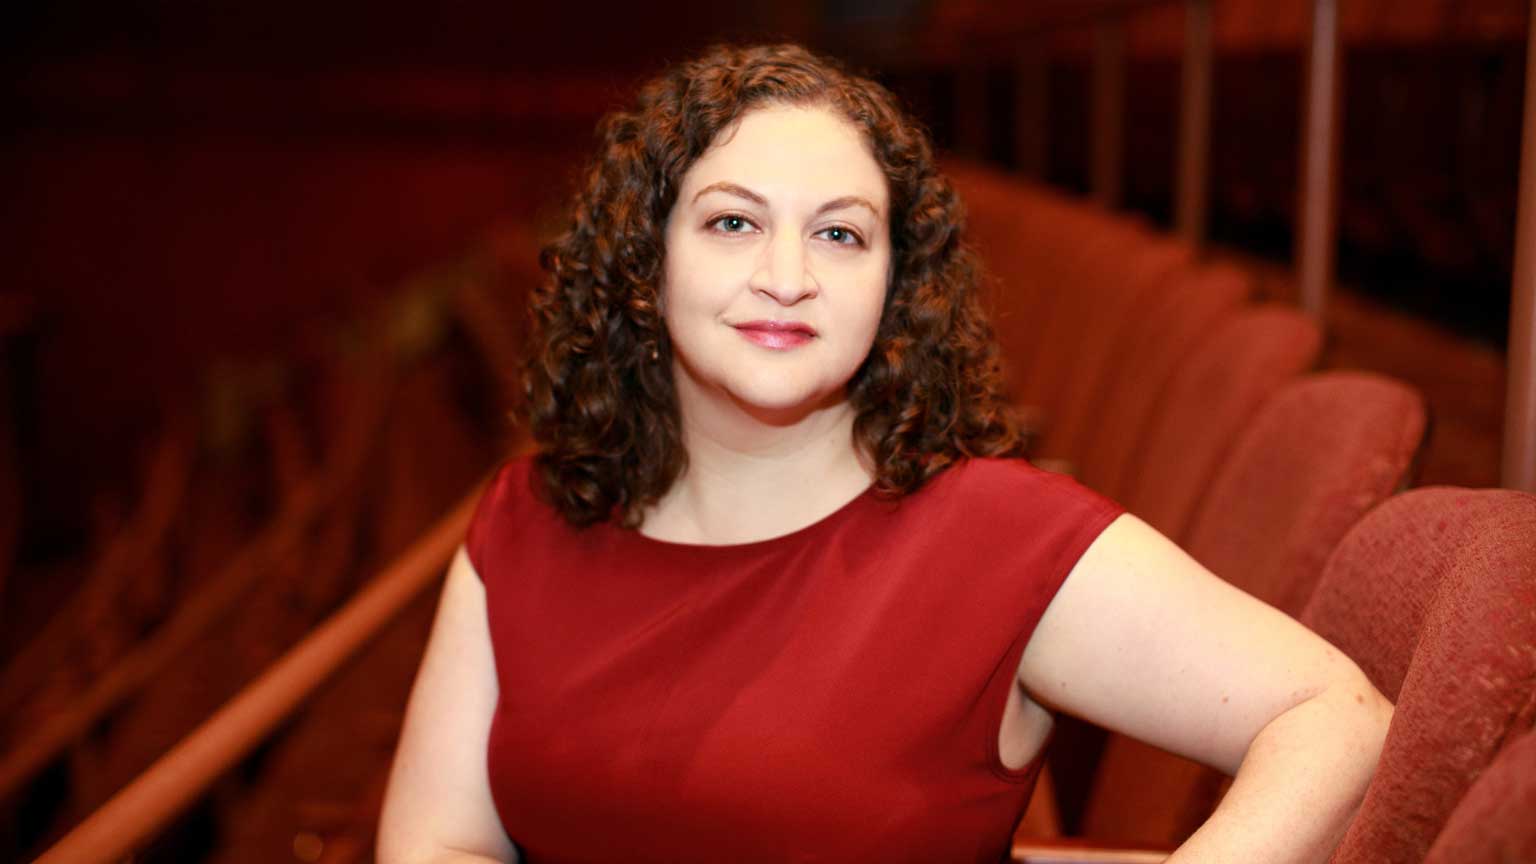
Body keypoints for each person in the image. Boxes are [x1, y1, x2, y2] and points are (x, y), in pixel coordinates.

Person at [377, 43, 1391, 863]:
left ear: (896, 289)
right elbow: (440, 839)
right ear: (645, 267)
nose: (787, 276)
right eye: (733, 222)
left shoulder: (998, 539)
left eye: (842, 236)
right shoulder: (530, 518)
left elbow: (1337, 716)